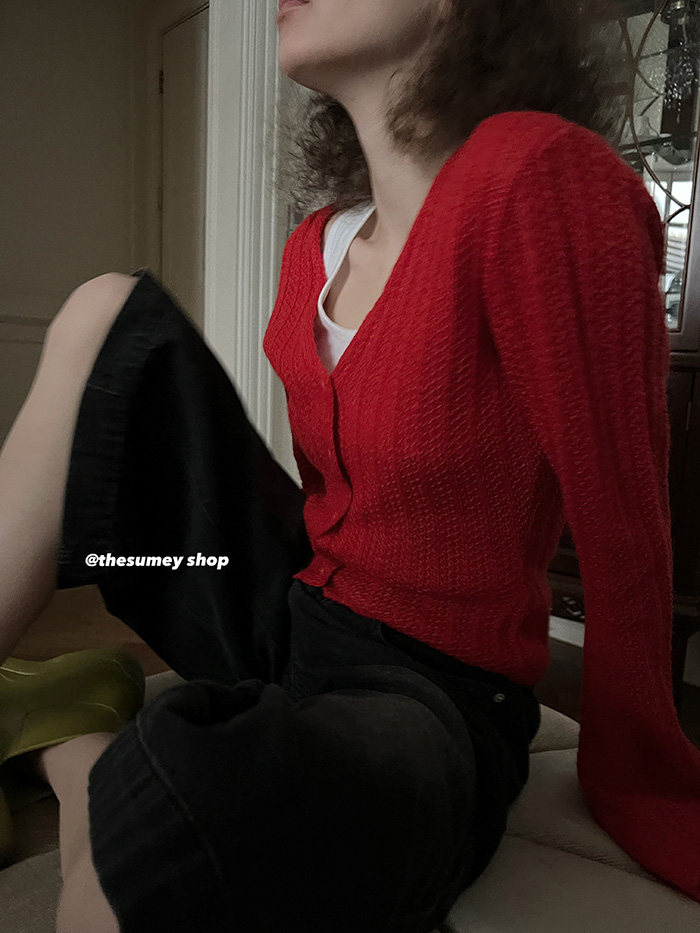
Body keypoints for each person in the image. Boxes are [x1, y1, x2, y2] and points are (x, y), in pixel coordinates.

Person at [0, 0, 698, 930]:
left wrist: (645, 771)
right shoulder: (316, 245)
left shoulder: (536, 176)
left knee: (183, 797)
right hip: (292, 607)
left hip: (429, 693)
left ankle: (71, 729)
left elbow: (627, 525)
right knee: (104, 309)